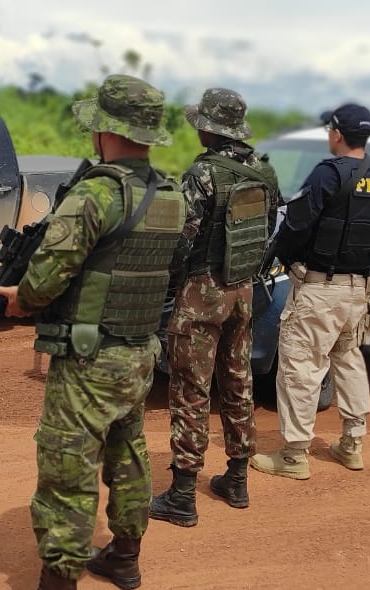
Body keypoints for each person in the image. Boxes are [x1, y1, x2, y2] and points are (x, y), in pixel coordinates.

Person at [0, 74, 188, 590]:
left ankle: (60, 579)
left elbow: (47, 279)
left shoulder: (93, 195)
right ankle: (124, 558)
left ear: (105, 132)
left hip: (88, 358)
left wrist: (22, 299)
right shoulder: (171, 194)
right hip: (141, 350)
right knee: (128, 451)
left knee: (66, 468)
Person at [249, 103, 370, 480]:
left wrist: (282, 255)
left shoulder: (326, 174)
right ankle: (352, 444)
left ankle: (294, 454)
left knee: (301, 365)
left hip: (321, 288)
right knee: (347, 359)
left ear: (336, 133)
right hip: (358, 290)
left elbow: (296, 225)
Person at [148, 88, 281, 527]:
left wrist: (171, 281)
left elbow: (182, 241)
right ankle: (237, 479)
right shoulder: (263, 171)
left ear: (208, 128)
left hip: (202, 292)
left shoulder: (202, 174)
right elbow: (267, 230)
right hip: (243, 290)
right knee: (237, 381)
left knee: (191, 388)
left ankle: (183, 494)